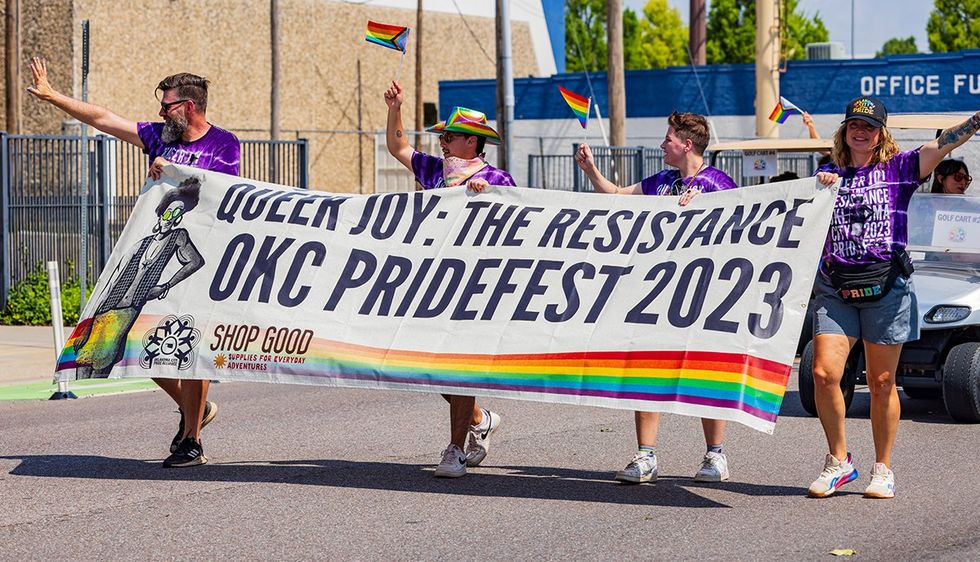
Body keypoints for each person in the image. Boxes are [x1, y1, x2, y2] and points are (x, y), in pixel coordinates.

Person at [27, 57, 241, 468]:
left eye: (167, 105)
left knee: (191, 351)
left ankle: (191, 441)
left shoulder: (223, 143)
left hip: (200, 262)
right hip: (147, 264)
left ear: (189, 107)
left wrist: (173, 171)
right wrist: (53, 96)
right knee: (137, 343)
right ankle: (193, 410)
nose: (160, 112)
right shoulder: (159, 137)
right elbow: (105, 119)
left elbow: (225, 192)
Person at [809, 97, 980, 499]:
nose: (860, 132)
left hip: (886, 286)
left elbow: (943, 144)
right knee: (823, 374)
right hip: (836, 287)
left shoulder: (901, 169)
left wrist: (976, 120)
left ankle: (883, 468)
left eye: (869, 126)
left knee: (882, 381)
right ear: (844, 131)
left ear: (881, 134)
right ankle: (839, 462)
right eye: (854, 125)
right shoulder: (827, 174)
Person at [574, 111, 737, 485]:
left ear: (687, 144)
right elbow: (618, 196)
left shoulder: (718, 183)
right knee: (646, 369)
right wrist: (591, 171)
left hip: (702, 294)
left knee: (705, 373)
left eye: (668, 139)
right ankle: (645, 455)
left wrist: (708, 207)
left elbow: (742, 222)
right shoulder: (663, 182)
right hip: (657, 294)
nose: (662, 144)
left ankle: (716, 455)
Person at [384, 80, 508, 478]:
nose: (443, 142)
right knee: (424, 363)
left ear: (472, 142)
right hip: (429, 279)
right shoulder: (435, 170)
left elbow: (517, 228)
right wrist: (395, 108)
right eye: (443, 136)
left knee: (458, 363)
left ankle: (454, 450)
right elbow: (399, 148)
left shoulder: (498, 179)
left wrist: (488, 198)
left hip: (473, 284)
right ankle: (479, 419)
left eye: (450, 137)